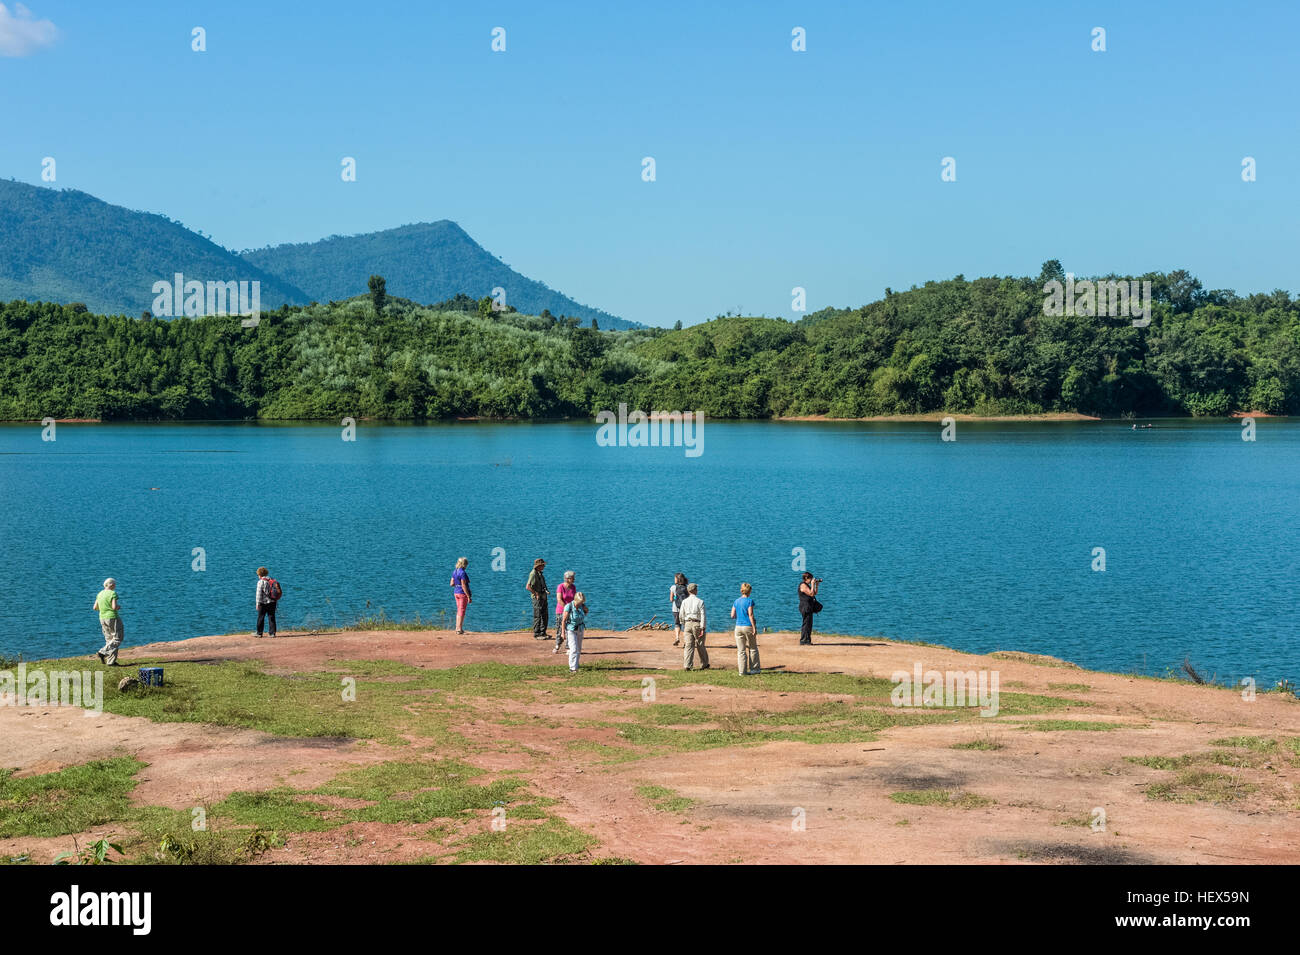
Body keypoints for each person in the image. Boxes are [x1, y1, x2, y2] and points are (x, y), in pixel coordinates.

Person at [730, 582, 760, 675]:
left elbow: (732, 615)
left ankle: (742, 671)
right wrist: (754, 627)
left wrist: (739, 615)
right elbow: (750, 614)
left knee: (741, 650)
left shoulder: (736, 601)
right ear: (749, 591)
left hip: (738, 627)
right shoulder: (749, 601)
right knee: (753, 648)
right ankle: (754, 669)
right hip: (748, 626)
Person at [92, 577, 124, 666]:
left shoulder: (100, 594)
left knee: (109, 640)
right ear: (111, 584)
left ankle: (111, 662)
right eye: (114, 584)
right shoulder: (113, 593)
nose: (115, 586)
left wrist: (104, 607)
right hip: (112, 617)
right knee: (118, 638)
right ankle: (102, 652)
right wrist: (118, 607)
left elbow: (95, 608)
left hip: (102, 618)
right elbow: (114, 607)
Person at [678, 582, 709, 670]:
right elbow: (703, 615)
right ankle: (704, 664)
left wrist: (684, 624)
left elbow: (681, 615)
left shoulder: (684, 601)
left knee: (688, 645)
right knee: (700, 644)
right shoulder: (700, 601)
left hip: (687, 623)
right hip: (697, 624)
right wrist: (703, 627)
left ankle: (687, 665)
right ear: (695, 590)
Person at [560, 591, 589, 672]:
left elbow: (586, 611)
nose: (581, 603)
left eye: (582, 602)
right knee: (573, 649)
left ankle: (576, 665)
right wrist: (563, 633)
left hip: (580, 629)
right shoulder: (568, 607)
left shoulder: (582, 606)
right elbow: (563, 621)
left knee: (579, 649)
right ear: (576, 600)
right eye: (580, 602)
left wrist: (584, 611)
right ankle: (572, 668)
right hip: (571, 630)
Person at [553, 571, 577, 653]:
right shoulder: (560, 587)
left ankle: (568, 647)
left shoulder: (573, 587)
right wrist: (566, 608)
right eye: (572, 578)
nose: (574, 579)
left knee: (569, 629)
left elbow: (575, 599)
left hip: (571, 611)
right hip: (561, 611)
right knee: (560, 629)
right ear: (567, 579)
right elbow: (559, 599)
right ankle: (557, 645)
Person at [255, 566, 281, 638]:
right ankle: (272, 633)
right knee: (271, 617)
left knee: (261, 617)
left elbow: (259, 594)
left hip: (263, 603)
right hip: (272, 602)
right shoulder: (271, 580)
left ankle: (259, 633)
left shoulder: (260, 582)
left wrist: (257, 603)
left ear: (259, 574)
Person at [526, 558, 549, 640]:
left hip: (543, 597)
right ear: (538, 566)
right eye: (543, 565)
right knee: (537, 616)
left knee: (544, 615)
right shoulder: (533, 574)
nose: (544, 566)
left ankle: (543, 632)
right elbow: (528, 586)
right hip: (537, 598)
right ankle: (537, 634)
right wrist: (536, 594)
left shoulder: (539, 573)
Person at [798, 572, 823, 645]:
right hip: (805, 607)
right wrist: (812, 584)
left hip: (809, 607)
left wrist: (816, 585)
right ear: (806, 578)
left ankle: (807, 640)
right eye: (810, 578)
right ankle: (803, 640)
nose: (812, 580)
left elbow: (814, 593)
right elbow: (811, 593)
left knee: (809, 624)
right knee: (806, 624)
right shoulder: (803, 585)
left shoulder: (807, 585)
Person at [450, 558, 472, 634]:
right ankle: (459, 629)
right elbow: (463, 585)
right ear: (464, 564)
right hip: (462, 593)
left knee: (459, 610)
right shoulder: (462, 573)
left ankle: (457, 628)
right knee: (462, 611)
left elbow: (451, 583)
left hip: (456, 592)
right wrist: (468, 596)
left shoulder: (455, 571)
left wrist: (457, 583)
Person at [669, 572, 689, 647]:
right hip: (685, 609)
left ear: (677, 579)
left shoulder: (673, 587)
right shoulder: (686, 587)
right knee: (685, 625)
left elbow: (671, 599)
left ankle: (677, 638)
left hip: (675, 609)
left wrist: (675, 598)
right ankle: (685, 641)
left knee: (677, 624)